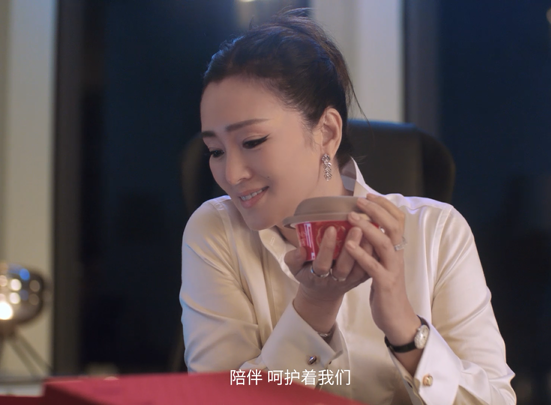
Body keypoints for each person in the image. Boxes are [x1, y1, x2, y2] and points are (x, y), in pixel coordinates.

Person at [180, 9, 516, 405]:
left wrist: (406, 331)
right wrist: (313, 308)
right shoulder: (216, 232)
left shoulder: (437, 232)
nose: (231, 174)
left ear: (327, 131)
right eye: (215, 151)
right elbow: (219, 399)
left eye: (252, 142)